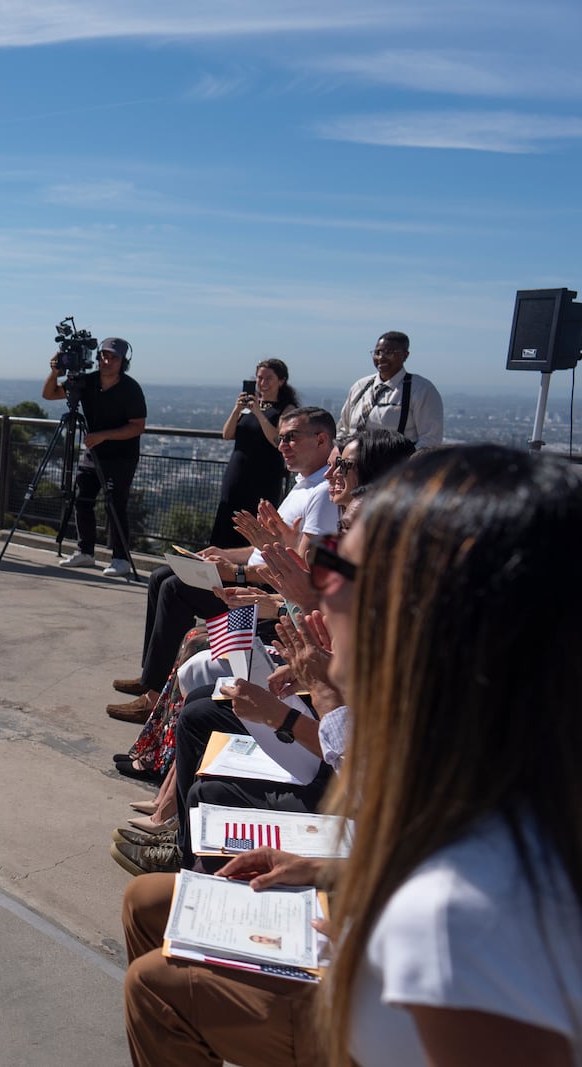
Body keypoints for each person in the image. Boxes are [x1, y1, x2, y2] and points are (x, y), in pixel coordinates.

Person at [124, 446, 582, 1065]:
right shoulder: (499, 769)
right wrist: (328, 871)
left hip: (348, 1002)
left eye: (339, 568)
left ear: (431, 617)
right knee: (149, 908)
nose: (319, 596)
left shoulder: (456, 919)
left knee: (154, 986)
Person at [107, 406, 339, 723]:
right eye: (281, 437)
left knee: (176, 588)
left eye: (291, 437)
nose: (282, 444)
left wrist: (235, 571)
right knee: (162, 576)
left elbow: (298, 568)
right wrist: (227, 554)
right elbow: (265, 548)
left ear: (321, 439)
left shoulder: (323, 494)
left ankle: (152, 696)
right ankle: (152, 677)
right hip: (250, 575)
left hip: (262, 588)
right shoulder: (304, 484)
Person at [42, 336, 147, 577]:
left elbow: (137, 426)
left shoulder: (131, 389)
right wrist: (54, 372)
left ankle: (120, 558)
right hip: (92, 455)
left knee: (115, 506)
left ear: (123, 362)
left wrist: (104, 436)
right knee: (82, 501)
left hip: (121, 457)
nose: (106, 361)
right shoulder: (85, 383)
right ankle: (85, 552)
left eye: (113, 357)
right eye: (103, 356)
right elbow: (49, 394)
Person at [210, 358, 297, 546]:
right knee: (228, 521)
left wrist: (258, 413)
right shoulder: (250, 406)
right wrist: (237, 410)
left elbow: (278, 441)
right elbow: (227, 434)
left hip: (264, 476)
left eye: (268, 378)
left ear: (281, 381)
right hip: (237, 472)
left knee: (256, 525)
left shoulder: (286, 409)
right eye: (259, 378)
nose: (262, 383)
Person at [336, 330, 444, 448]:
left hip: (396, 464)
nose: (381, 357)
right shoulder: (360, 387)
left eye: (389, 352)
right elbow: (343, 429)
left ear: (405, 355)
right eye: (377, 352)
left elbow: (430, 440)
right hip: (354, 463)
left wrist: (406, 463)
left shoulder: (421, 390)